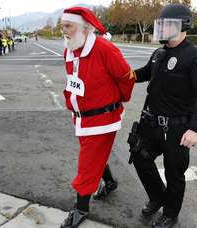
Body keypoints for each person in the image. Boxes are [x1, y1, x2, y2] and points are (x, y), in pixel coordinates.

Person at [131, 4, 197, 228]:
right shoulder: (159, 53)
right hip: (152, 124)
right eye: (162, 24)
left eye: (168, 24)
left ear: (183, 26)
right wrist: (122, 74)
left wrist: (195, 129)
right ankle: (158, 197)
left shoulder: (196, 57)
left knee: (174, 174)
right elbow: (143, 74)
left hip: (178, 129)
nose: (163, 28)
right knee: (140, 157)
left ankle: (170, 213)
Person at [60, 7, 135, 228]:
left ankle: (81, 208)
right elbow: (73, 80)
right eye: (62, 25)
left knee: (86, 163)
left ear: (84, 28)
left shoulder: (104, 49)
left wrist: (117, 102)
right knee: (93, 156)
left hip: (103, 119)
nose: (64, 30)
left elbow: (126, 77)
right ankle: (110, 182)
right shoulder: (70, 49)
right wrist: (70, 101)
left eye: (68, 26)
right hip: (82, 118)